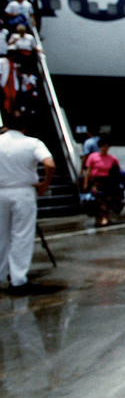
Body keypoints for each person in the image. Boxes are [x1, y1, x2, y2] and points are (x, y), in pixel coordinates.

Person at [0, 113, 54, 295]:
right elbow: (49, 164)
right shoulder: (33, 143)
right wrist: (44, 184)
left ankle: (1, 275)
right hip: (23, 191)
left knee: (2, 236)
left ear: (6, 124)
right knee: (21, 236)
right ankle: (18, 280)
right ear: (25, 127)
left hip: (1, 191)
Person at [83, 140, 123, 227]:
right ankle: (99, 217)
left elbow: (117, 170)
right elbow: (88, 170)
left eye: (107, 146)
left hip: (108, 181)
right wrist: (86, 182)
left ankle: (106, 217)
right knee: (98, 200)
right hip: (96, 181)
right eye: (103, 146)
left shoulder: (112, 158)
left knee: (107, 200)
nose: (105, 148)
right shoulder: (93, 157)